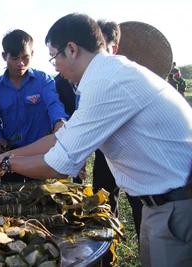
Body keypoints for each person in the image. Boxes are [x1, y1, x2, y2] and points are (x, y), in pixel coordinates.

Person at [0, 13, 192, 267]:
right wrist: (3, 157)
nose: (55, 67)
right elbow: (60, 138)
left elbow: (60, 164)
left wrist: (4, 164)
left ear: (72, 50)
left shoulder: (105, 82)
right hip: (162, 205)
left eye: (54, 57)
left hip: (177, 206)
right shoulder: (108, 73)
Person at [0, 29, 68, 183]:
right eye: (15, 58)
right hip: (11, 156)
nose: (20, 64)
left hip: (41, 156)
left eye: (25, 57)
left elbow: (53, 104)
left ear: (32, 54)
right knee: (11, 201)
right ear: (4, 57)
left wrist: (59, 121)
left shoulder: (43, 80)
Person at [95, 19, 143, 241]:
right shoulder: (92, 83)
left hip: (136, 157)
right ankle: (108, 253)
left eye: (101, 48)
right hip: (104, 153)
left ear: (113, 48)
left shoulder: (128, 79)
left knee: (142, 207)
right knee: (104, 203)